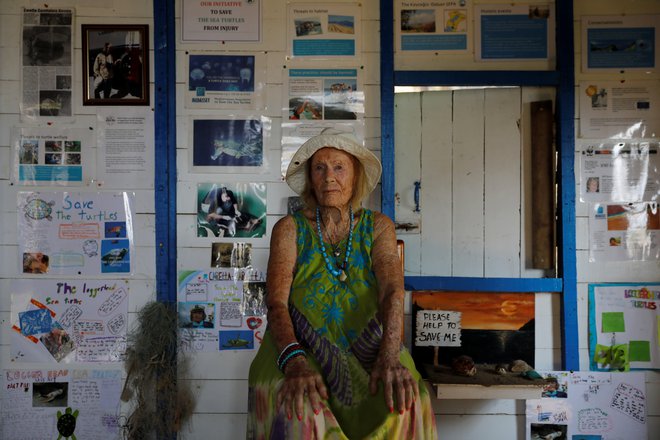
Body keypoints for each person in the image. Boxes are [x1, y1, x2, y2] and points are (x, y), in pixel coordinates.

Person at [247, 129, 437, 439]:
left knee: (409, 399)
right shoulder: (289, 229)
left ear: (356, 175)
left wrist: (390, 356)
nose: (327, 177)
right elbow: (276, 302)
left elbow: (392, 290)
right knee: (299, 409)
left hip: (372, 348)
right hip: (298, 349)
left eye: (338, 167)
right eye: (319, 168)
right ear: (310, 177)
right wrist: (294, 361)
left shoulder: (378, 226)